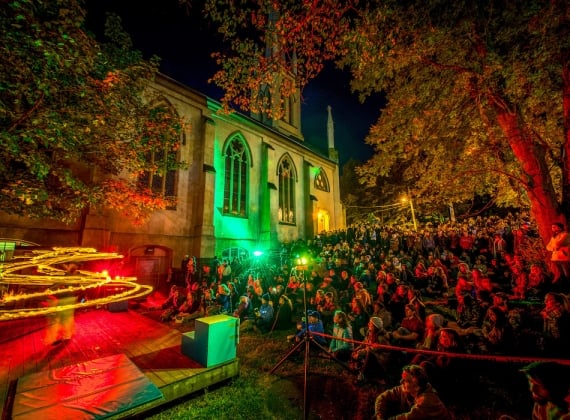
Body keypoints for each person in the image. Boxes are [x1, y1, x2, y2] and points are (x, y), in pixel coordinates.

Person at [373, 364, 451, 419]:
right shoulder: (407, 389)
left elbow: (406, 418)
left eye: (406, 381)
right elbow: (382, 397)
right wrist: (379, 416)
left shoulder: (426, 401)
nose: (401, 382)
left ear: (417, 387)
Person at [546, 222, 570, 289]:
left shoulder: (566, 235)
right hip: (555, 258)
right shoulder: (554, 237)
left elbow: (558, 244)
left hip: (564, 258)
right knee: (560, 274)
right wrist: (553, 248)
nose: (553, 229)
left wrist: (554, 246)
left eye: (554, 227)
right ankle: (564, 288)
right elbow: (548, 247)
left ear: (560, 227)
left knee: (567, 274)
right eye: (552, 227)